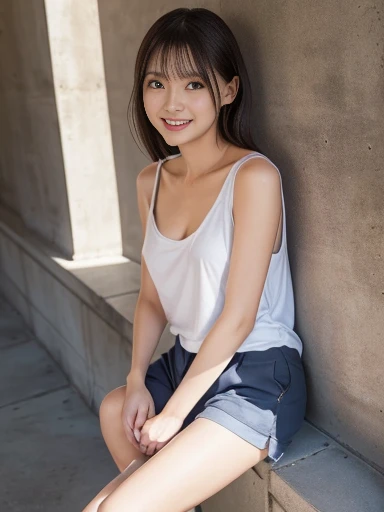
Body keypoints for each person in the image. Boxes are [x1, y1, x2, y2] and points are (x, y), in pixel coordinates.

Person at [82, 7, 307, 512]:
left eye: (193, 85)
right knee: (116, 405)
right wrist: (139, 377)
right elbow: (151, 297)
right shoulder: (152, 181)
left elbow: (239, 316)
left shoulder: (254, 178)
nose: (171, 102)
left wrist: (174, 412)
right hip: (187, 362)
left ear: (228, 90)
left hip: (257, 372)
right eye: (157, 82)